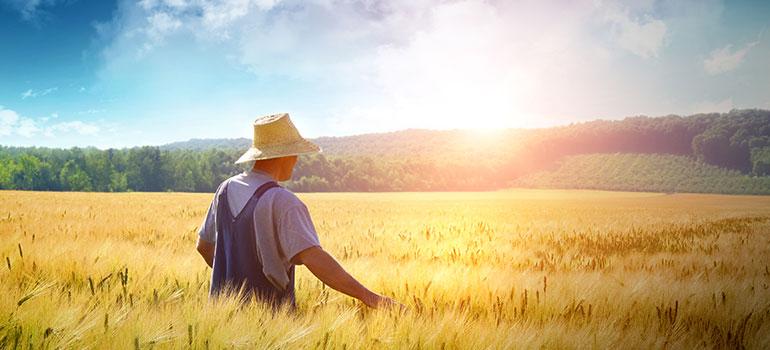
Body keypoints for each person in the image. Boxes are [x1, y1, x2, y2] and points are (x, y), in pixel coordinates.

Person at [196, 113, 398, 310]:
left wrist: (235, 283)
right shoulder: (283, 201)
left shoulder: (225, 189)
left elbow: (203, 246)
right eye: (296, 154)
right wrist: (370, 297)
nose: (297, 160)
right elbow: (314, 258)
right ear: (286, 156)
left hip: (220, 313)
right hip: (271, 325)